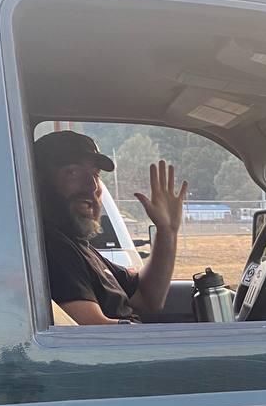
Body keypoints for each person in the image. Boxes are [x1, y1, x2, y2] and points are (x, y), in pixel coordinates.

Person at [34, 130, 187, 324]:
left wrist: (167, 231)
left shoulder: (81, 248)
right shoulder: (53, 247)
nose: (92, 187)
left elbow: (148, 298)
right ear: (39, 181)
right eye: (73, 172)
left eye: (95, 175)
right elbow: (92, 332)